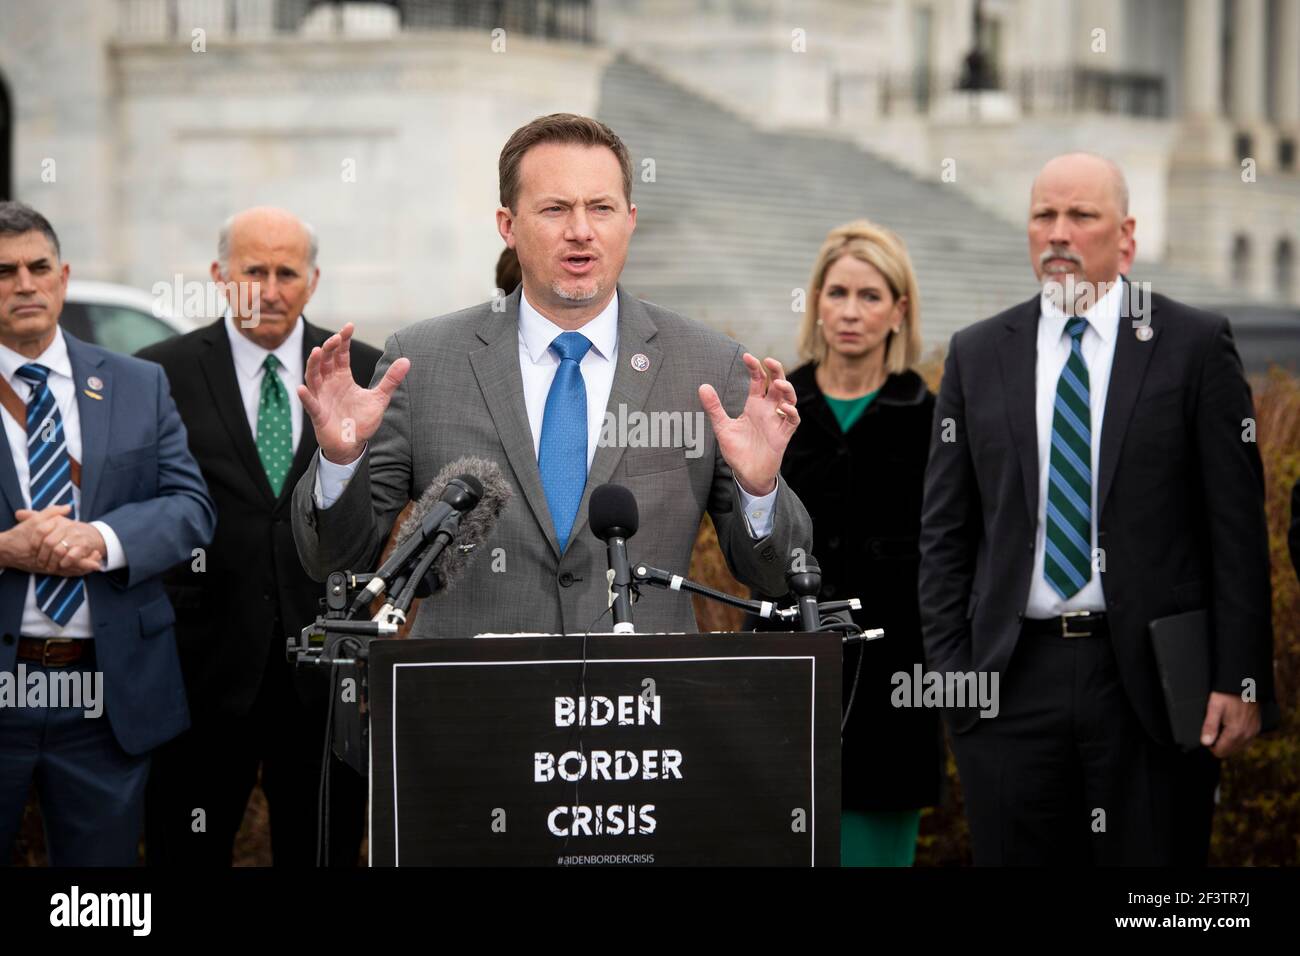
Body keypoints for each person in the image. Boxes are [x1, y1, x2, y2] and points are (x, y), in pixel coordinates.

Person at [291, 113, 813, 636]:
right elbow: (334, 563)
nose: (580, 231)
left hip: (643, 698)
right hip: (473, 700)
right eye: (555, 209)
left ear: (630, 219)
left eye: (601, 208)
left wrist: (759, 487)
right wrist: (340, 460)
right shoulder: (423, 362)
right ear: (508, 225)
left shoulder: (706, 365)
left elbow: (773, 574)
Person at [919, 153, 1278, 865]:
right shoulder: (978, 353)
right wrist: (955, 675)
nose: (1059, 233)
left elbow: (1235, 530)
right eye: (1043, 215)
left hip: (1150, 685)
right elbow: (946, 534)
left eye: (1081, 216)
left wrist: (1238, 677)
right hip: (1010, 683)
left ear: (1127, 237)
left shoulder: (1195, 346)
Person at [138, 207, 379, 866]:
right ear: (219, 275)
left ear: (313, 279)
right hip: (199, 674)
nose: (270, 289)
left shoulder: (362, 371)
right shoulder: (157, 376)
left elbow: (380, 517)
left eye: (286, 272)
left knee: (322, 849)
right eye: (253, 271)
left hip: (325, 680)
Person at [0, 200, 215, 865]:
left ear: (63, 277)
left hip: (105, 696)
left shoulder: (137, 382)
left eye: (39, 267)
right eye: (4, 272)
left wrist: (101, 539)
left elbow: (190, 506)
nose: (26, 284)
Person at [751, 220, 941, 865]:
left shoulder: (934, 418)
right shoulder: (777, 409)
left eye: (870, 296)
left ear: (899, 310)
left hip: (897, 683)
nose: (851, 312)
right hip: (791, 673)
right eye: (836, 294)